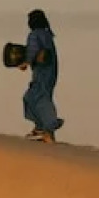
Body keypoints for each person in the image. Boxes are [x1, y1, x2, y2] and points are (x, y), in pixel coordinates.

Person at [18, 8, 61, 141]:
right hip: (51, 73)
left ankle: (48, 127)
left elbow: (32, 50)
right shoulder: (47, 34)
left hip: (42, 73)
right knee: (39, 97)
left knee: (37, 98)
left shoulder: (34, 35)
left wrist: (25, 63)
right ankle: (42, 129)